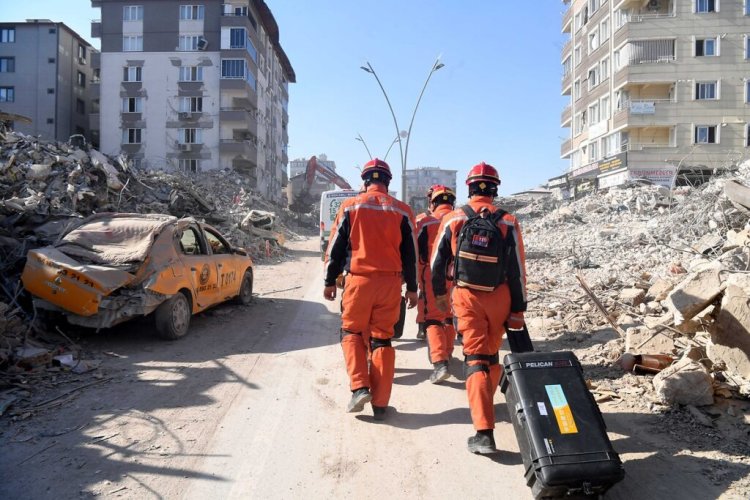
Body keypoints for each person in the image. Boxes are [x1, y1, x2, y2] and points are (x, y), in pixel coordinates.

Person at [430, 162, 527, 454]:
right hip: (501, 297)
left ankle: (484, 432)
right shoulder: (509, 221)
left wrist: (439, 297)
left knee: (474, 357)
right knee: (491, 353)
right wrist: (518, 310)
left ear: (469, 188)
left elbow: (437, 264)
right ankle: (486, 397)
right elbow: (518, 269)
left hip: (466, 296)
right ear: (495, 189)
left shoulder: (455, 219)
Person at [324, 158, 418, 421]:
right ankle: (380, 403)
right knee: (382, 339)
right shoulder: (403, 211)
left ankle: (359, 387)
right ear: (387, 182)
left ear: (365, 181)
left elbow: (335, 249)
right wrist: (412, 288)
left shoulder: (351, 206)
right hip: (390, 284)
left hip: (358, 281)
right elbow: (411, 254)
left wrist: (329, 281)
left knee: (352, 331)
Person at [416, 185, 458, 384]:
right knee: (449, 316)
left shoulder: (424, 221)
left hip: (432, 276)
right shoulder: (462, 219)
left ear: (432, 202)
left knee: (433, 318)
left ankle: (440, 363)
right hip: (458, 277)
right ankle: (447, 353)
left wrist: (414, 281)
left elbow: (415, 253)